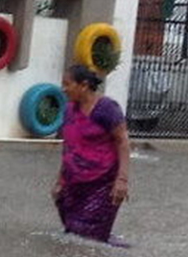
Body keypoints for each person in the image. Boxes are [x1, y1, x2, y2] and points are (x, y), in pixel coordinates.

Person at [52, 64, 130, 245]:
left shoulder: (107, 108)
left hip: (102, 183)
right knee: (72, 234)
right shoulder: (69, 110)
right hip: (74, 181)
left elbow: (123, 142)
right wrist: (60, 180)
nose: (63, 89)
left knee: (90, 238)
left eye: (67, 84)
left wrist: (122, 180)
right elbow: (69, 147)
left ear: (84, 85)